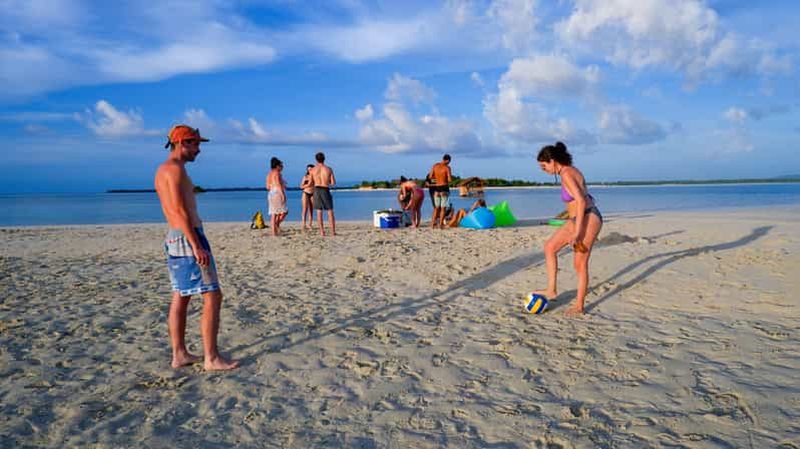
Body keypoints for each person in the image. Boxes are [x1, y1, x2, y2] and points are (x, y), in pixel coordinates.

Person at [154, 124, 238, 371]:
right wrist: (196, 245)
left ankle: (179, 354)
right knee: (212, 294)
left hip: (175, 237)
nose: (199, 150)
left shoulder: (165, 170)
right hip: (187, 237)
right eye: (196, 144)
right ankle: (211, 358)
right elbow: (179, 212)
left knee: (181, 294)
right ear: (183, 143)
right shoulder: (174, 170)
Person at [532, 141, 603, 316]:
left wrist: (578, 232)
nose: (544, 170)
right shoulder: (570, 170)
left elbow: (579, 201)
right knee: (550, 247)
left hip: (587, 218)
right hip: (578, 217)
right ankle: (551, 290)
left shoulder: (566, 174)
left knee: (579, 264)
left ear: (553, 161)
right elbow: (579, 199)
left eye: (544, 166)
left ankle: (579, 306)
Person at [311, 151, 336, 236]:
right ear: (324, 159)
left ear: (316, 159)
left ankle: (322, 232)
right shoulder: (329, 169)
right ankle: (333, 231)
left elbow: (311, 182)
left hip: (317, 189)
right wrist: (326, 180)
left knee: (319, 211)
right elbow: (333, 183)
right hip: (325, 189)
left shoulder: (313, 170)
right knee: (330, 211)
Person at [427, 154, 453, 229]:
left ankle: (432, 225)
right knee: (443, 208)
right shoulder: (447, 168)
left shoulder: (435, 166)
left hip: (437, 188)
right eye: (449, 161)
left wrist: (437, 178)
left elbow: (430, 176)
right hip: (444, 188)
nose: (449, 163)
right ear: (447, 160)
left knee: (436, 208)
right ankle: (440, 225)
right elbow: (449, 180)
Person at [266, 157, 288, 236]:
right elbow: (278, 185)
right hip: (277, 193)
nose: (282, 167)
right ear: (277, 166)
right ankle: (276, 225)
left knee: (274, 214)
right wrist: (283, 195)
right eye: (281, 166)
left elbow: (267, 187)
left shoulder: (269, 174)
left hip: (271, 193)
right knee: (284, 212)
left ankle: (274, 231)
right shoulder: (277, 173)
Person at [300, 164, 315, 231]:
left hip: (313, 193)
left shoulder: (316, 177)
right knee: (304, 209)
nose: (310, 170)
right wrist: (308, 185)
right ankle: (303, 224)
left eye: (311, 169)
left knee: (311, 209)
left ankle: (310, 224)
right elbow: (301, 186)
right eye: (308, 169)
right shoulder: (305, 176)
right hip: (305, 193)